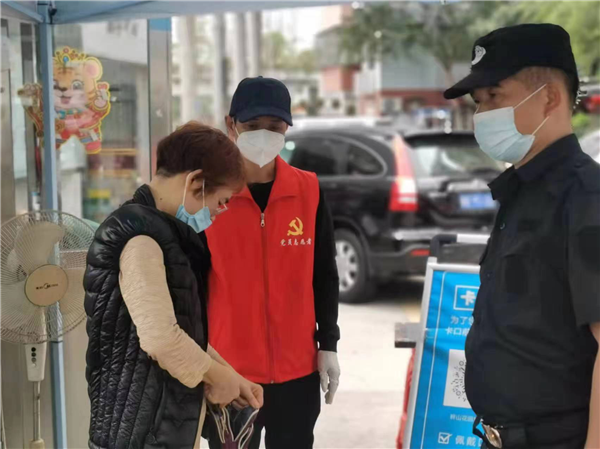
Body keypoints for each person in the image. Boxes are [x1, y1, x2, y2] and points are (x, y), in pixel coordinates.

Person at [444, 24, 600, 449]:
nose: (481, 114)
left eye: (494, 96)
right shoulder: (520, 191)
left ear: (549, 98)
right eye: (478, 102)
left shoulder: (586, 197)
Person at [84, 122, 264, 449]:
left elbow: (181, 329)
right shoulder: (140, 239)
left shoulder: (163, 234)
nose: (219, 212)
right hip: (138, 432)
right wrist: (217, 376)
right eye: (221, 201)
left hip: (159, 425)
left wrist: (230, 376)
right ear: (195, 182)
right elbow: (161, 339)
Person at [204, 77, 341, 449]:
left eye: (275, 127)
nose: (263, 135)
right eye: (252, 126)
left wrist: (328, 343)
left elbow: (324, 275)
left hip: (298, 372)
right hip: (230, 373)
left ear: (287, 128)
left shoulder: (308, 190)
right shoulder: (211, 197)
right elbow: (194, 283)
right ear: (231, 124)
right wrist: (202, 362)